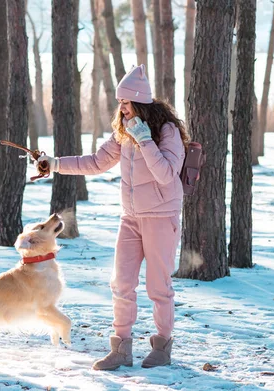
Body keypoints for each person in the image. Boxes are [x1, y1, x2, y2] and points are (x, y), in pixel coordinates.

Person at [35, 64, 189, 370]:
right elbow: (95, 162)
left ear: (141, 103)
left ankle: (162, 345)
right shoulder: (123, 132)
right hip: (130, 217)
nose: (122, 109)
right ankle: (121, 348)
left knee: (158, 285)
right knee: (121, 283)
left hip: (161, 217)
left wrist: (145, 140)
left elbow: (166, 174)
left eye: (126, 103)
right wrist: (54, 164)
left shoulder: (166, 132)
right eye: (120, 103)